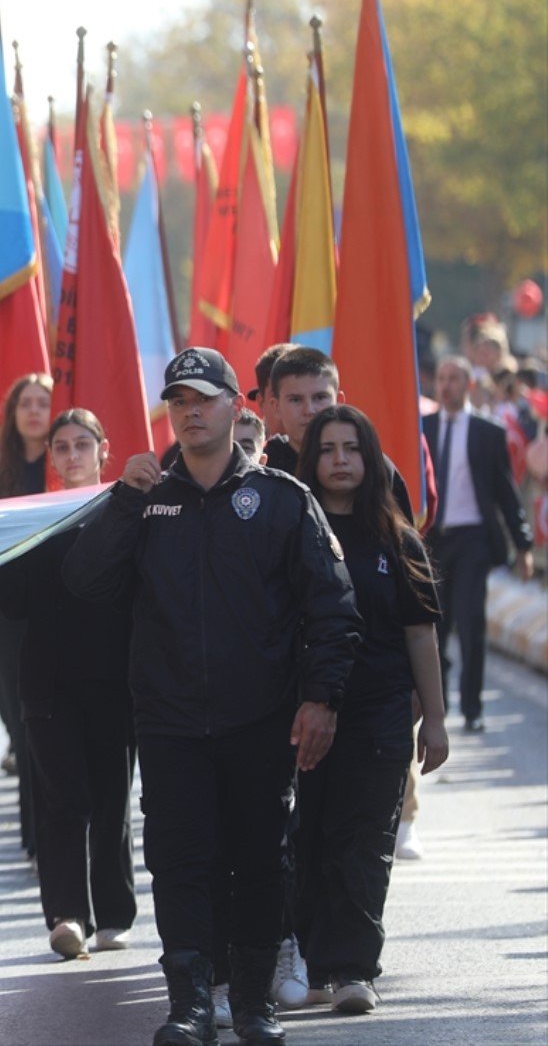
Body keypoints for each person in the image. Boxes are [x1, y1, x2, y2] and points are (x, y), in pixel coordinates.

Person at [66, 347, 360, 1046]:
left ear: (237, 406)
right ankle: (191, 1004)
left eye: (203, 397)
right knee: (180, 861)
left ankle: (255, 1002)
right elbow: (84, 584)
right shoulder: (145, 500)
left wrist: (322, 698)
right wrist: (125, 500)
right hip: (169, 724)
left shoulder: (284, 501)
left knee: (260, 860)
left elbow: (333, 607)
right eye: (178, 401)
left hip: (261, 722)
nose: (191, 411)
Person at [294, 405, 450, 1015]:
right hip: (303, 716)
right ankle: (307, 963)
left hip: (381, 715)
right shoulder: (291, 531)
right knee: (307, 840)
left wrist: (433, 722)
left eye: (352, 449)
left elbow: (420, 635)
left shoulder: (396, 537)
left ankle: (354, 969)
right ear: (313, 460)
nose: (339, 460)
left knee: (363, 844)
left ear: (371, 458)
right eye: (328, 449)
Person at [0, 409, 136, 961]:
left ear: (103, 449)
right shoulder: (35, 517)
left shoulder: (125, 512)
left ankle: (114, 913)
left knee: (111, 799)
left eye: (82, 444)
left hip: (113, 681)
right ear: (50, 457)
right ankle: (67, 914)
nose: (72, 455)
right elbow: (11, 604)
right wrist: (9, 543)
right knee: (60, 802)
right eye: (62, 447)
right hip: (47, 682)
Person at [423, 355, 534, 732]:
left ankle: (472, 708)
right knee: (434, 627)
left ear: (468, 384)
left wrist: (524, 545)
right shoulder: (423, 428)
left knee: (471, 625)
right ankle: (433, 706)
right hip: (434, 540)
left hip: (473, 539)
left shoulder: (488, 432)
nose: (446, 385)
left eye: (454, 378)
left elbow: (507, 493)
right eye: (441, 378)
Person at [0, 373, 53, 855]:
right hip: (6, 615)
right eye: (26, 402)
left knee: (49, 720)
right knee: (16, 715)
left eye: (44, 402)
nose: (35, 411)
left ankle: (55, 828)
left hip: (58, 610)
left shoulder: (68, 468)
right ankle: (33, 831)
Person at [262, 346, 418, 518]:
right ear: (276, 407)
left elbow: (401, 537)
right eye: (296, 400)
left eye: (320, 397)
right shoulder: (264, 467)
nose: (309, 410)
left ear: (339, 401)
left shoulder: (372, 464)